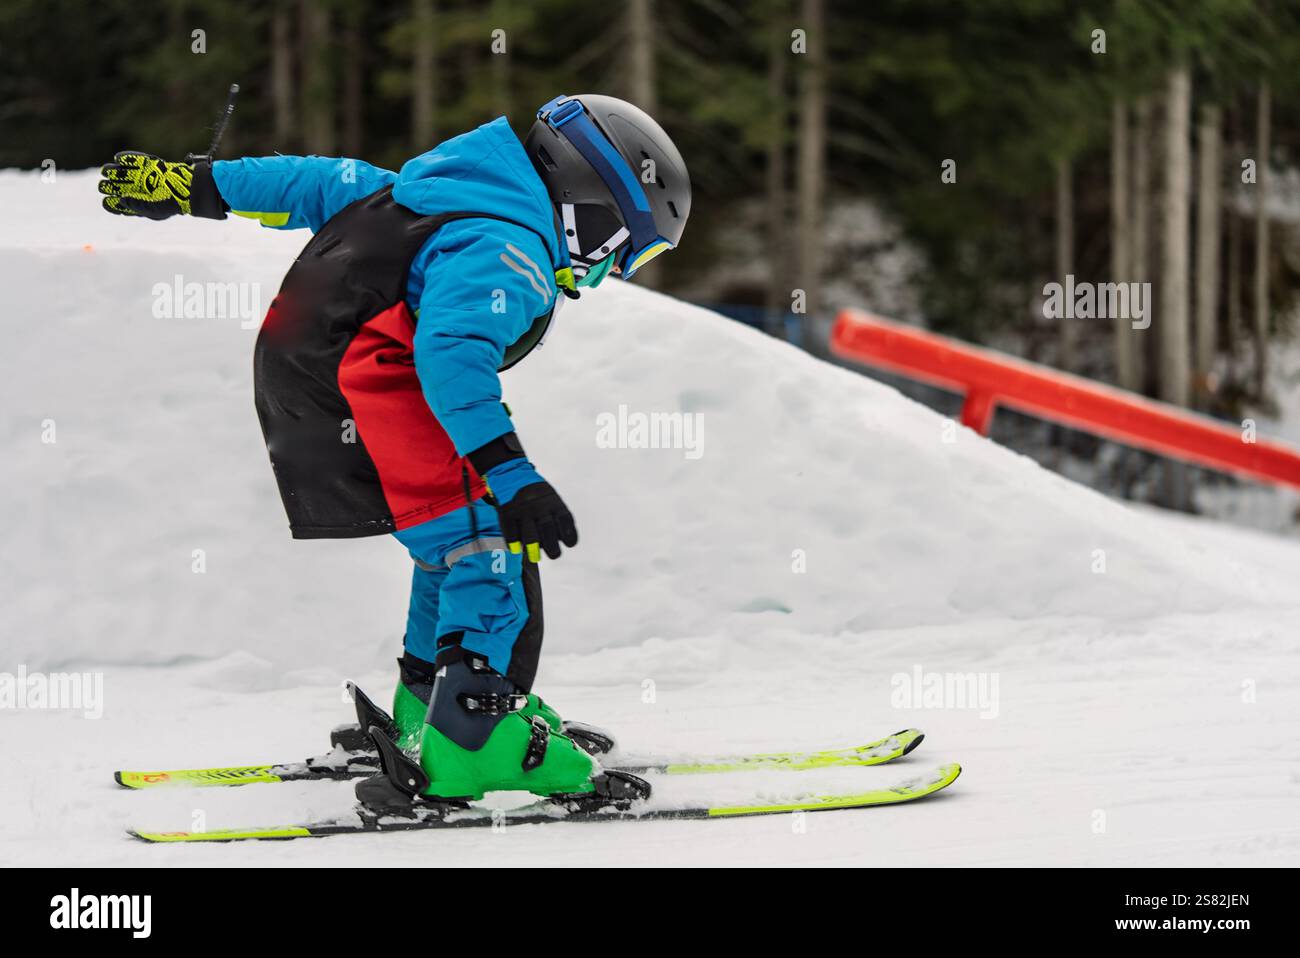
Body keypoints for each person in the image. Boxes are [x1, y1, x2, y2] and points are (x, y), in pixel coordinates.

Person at [97, 93, 691, 807]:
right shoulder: (511, 249)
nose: (602, 276)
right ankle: (471, 741)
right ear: (581, 204)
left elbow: (316, 183)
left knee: (451, 538)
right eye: (612, 249)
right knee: (490, 540)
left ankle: (431, 711)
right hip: (374, 382)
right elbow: (450, 357)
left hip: (313, 375)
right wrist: (512, 473)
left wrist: (197, 187)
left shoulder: (433, 191)